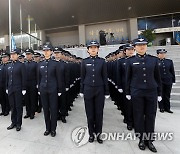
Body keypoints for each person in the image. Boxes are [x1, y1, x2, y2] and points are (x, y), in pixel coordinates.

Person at [125, 38, 162, 153]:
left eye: (144, 45)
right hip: (137, 92)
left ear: (146, 46)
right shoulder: (130, 61)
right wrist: (127, 92)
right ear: (135, 47)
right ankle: (141, 139)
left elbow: (158, 78)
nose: (142, 47)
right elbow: (128, 78)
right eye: (139, 45)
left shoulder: (153, 60)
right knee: (139, 116)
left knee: (151, 116)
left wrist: (159, 93)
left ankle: (149, 140)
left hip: (151, 91)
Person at [80, 41, 109, 144]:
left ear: (98, 49)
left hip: (99, 90)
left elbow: (105, 77)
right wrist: (81, 90)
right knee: (90, 114)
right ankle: (91, 134)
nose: (93, 49)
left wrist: (106, 91)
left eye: (95, 47)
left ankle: (98, 135)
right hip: (88, 89)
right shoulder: (84, 61)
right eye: (91, 47)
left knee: (99, 113)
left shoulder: (102, 61)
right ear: (88, 50)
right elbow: (82, 77)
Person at [37, 44, 64, 137]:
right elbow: (39, 78)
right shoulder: (40, 64)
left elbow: (59, 78)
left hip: (53, 89)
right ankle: (47, 128)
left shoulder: (55, 64)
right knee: (45, 109)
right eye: (44, 51)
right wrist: (39, 88)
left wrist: (59, 89)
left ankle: (53, 129)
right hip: (43, 89)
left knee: (53, 109)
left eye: (48, 50)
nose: (46, 52)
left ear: (51, 52)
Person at [6, 49, 26, 131]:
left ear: (17, 55)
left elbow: (24, 78)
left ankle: (18, 123)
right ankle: (13, 122)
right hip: (11, 89)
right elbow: (8, 78)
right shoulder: (9, 65)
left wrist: (23, 88)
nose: (12, 56)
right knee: (12, 106)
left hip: (18, 89)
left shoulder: (21, 65)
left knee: (18, 106)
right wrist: (7, 87)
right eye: (11, 54)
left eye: (14, 54)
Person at [117, 43, 135, 131]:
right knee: (127, 105)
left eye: (132, 49)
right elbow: (119, 75)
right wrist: (119, 86)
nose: (131, 51)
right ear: (125, 51)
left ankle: (136, 121)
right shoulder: (121, 61)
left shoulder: (137, 60)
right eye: (129, 50)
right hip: (125, 86)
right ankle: (129, 122)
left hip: (136, 86)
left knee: (136, 106)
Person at [157, 49, 175, 113]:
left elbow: (172, 71)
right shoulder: (156, 61)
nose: (163, 55)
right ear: (158, 54)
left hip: (168, 80)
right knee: (160, 94)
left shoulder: (169, 61)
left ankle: (167, 108)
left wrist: (173, 80)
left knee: (167, 94)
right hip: (160, 80)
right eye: (161, 53)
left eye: (164, 53)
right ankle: (161, 107)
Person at [24, 49, 38, 119]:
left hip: (33, 84)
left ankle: (32, 113)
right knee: (26, 99)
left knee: (32, 99)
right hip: (26, 84)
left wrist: (37, 84)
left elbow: (38, 75)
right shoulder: (24, 64)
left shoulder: (35, 64)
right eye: (26, 54)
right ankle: (28, 112)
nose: (27, 56)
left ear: (32, 55)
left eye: (29, 54)